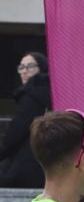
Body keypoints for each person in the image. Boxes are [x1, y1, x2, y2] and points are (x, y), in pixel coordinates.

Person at [0, 52, 51, 189]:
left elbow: (16, 132)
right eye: (21, 67)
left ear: (41, 68)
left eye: (30, 66)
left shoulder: (32, 96)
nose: (24, 71)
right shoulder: (49, 93)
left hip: (27, 164)